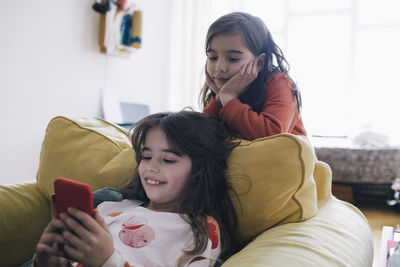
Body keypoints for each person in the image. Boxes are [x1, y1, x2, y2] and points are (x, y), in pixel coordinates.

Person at [32, 110, 238, 267]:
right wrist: (48, 261)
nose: (151, 167)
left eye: (168, 159)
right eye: (146, 157)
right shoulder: (111, 207)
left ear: (200, 171)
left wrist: (107, 261)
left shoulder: (199, 229)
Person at [200, 12, 307, 140]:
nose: (219, 67)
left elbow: (273, 137)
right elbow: (198, 139)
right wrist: (218, 99)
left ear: (260, 62)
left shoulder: (279, 82)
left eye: (233, 59)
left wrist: (228, 98)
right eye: (213, 57)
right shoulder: (220, 94)